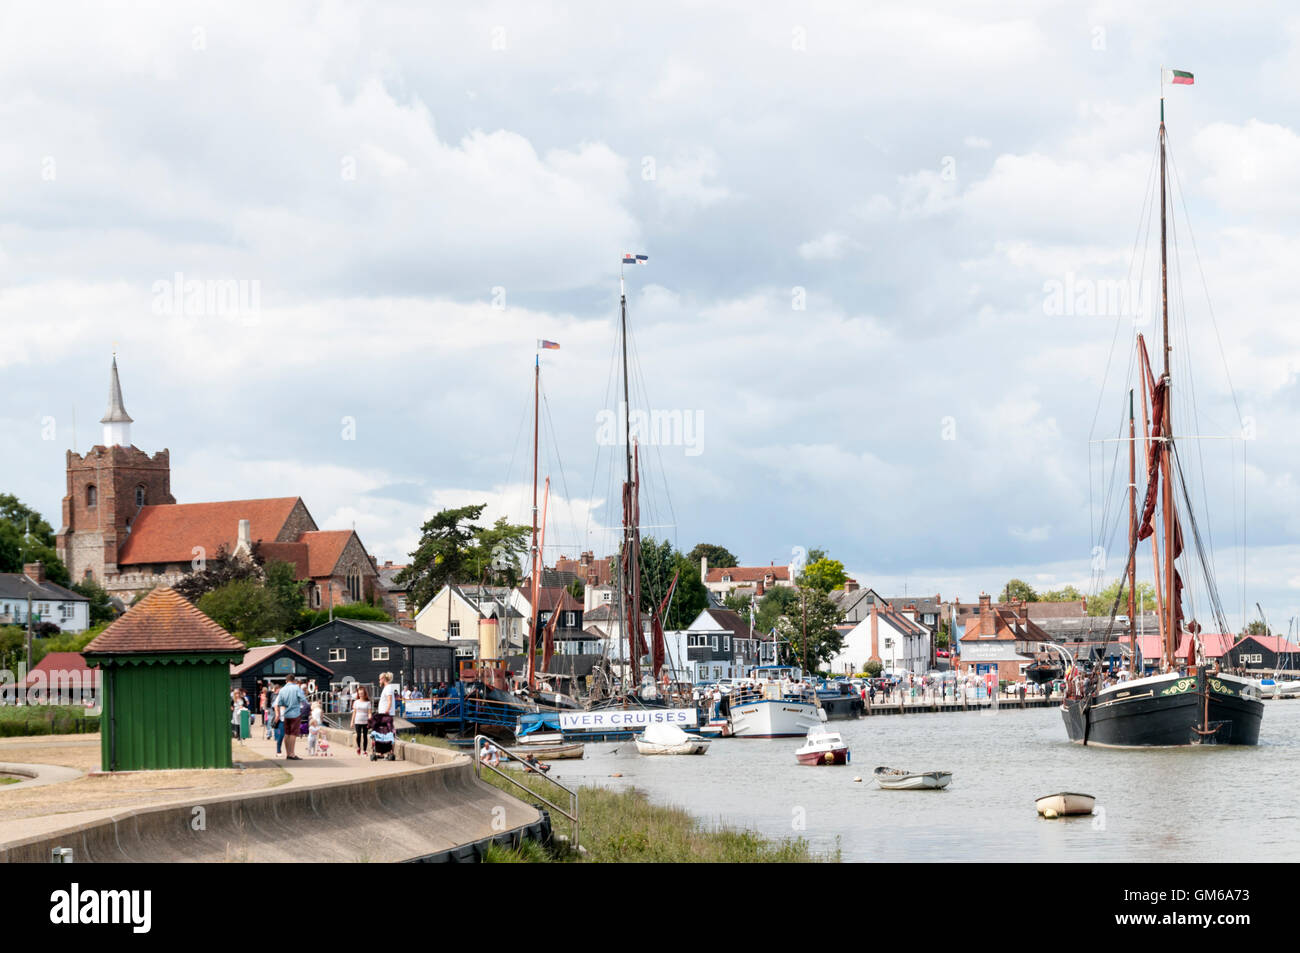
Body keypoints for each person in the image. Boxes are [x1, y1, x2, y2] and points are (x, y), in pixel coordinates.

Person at [274, 674, 308, 761]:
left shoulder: (282, 690)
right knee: (293, 734)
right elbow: (303, 699)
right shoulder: (296, 688)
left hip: (286, 714)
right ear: (294, 680)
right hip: (295, 713)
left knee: (287, 733)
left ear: (286, 681)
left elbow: (280, 703)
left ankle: (288, 753)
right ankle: (292, 754)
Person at [352, 686, 372, 756]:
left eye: (362, 693)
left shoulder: (368, 702)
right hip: (357, 721)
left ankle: (365, 750)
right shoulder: (356, 702)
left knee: (365, 736)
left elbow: (369, 712)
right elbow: (354, 712)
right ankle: (358, 747)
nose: (361, 695)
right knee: (358, 735)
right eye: (359, 693)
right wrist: (352, 722)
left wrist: (370, 720)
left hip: (365, 721)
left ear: (364, 694)